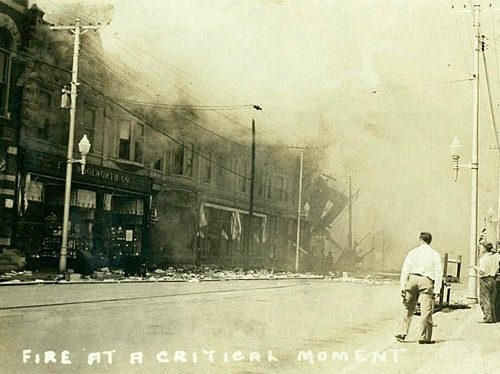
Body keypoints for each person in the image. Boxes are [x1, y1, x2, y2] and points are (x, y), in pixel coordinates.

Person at [395, 232, 443, 344]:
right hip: (426, 281)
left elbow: (405, 270)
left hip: (412, 279)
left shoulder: (413, 252)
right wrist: (437, 289)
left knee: (407, 307)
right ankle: (424, 337)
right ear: (430, 241)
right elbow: (438, 272)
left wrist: (402, 286)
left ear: (420, 240)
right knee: (425, 310)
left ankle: (402, 333)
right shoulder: (434, 254)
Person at [474, 242, 500, 323]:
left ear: (485, 248)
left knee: (485, 299)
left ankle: (488, 317)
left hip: (484, 279)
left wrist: (475, 268)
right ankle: (493, 317)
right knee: (492, 300)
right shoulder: (495, 258)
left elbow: (482, 271)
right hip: (492, 278)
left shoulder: (483, 259)